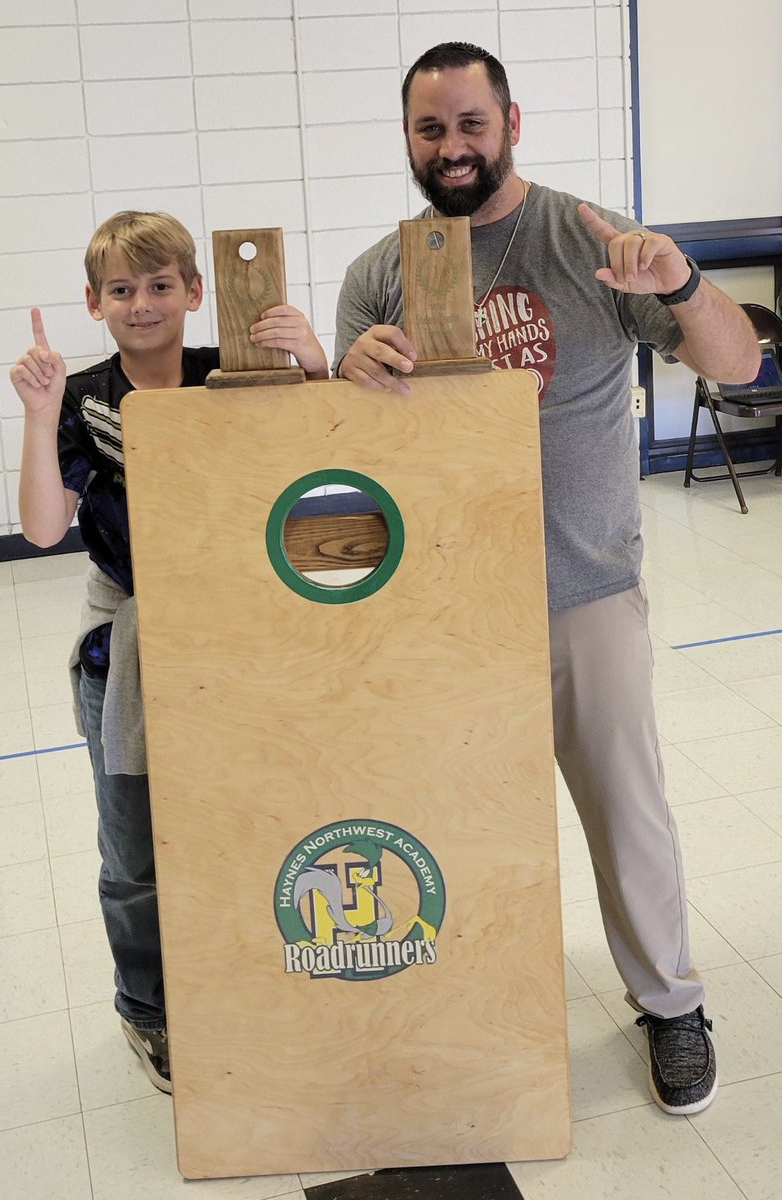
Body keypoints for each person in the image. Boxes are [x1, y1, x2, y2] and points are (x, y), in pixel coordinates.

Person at [334, 43, 759, 1116]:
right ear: (409, 139)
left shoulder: (586, 238)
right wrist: (344, 377)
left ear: (511, 122)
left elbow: (738, 364)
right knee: (452, 820)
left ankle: (671, 1006)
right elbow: (348, 457)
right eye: (431, 129)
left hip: (582, 588)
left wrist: (685, 282)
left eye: (470, 124)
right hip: (442, 610)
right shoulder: (380, 273)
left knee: (628, 813)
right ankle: (468, 1008)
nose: (452, 147)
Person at [10, 210, 328, 1094]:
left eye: (159, 286)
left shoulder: (235, 372)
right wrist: (39, 417)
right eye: (121, 290)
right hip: (130, 648)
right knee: (135, 850)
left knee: (249, 817)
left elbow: (324, 451)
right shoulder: (81, 400)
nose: (141, 303)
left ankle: (248, 974)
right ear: (93, 302)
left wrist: (312, 363)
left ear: (195, 291)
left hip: (239, 636)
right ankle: (146, 1008)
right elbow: (41, 527)